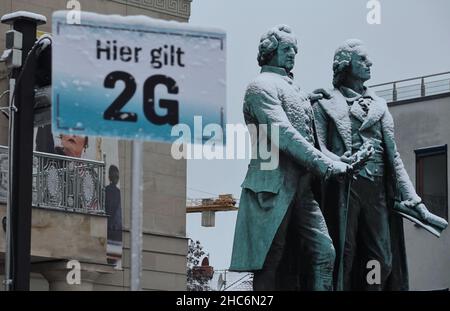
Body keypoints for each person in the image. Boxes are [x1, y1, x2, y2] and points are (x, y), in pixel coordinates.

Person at [313, 39, 447, 290]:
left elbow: (393, 157)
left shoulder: (380, 106)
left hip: (376, 193)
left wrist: (415, 201)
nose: (369, 63)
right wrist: (341, 162)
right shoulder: (324, 103)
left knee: (382, 259)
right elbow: (319, 150)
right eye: (362, 59)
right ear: (345, 65)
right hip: (344, 191)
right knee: (344, 254)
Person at [229, 25, 352, 291]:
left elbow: (309, 139)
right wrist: (326, 165)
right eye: (286, 49)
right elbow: (283, 134)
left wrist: (342, 161)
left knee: (325, 253)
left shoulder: (294, 89)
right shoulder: (260, 87)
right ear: (270, 52)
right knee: (271, 260)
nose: (292, 54)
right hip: (271, 187)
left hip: (302, 188)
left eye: (295, 49)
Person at [105, 164, 123, 266]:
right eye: (114, 176)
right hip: (110, 228)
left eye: (117, 177)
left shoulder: (117, 192)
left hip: (115, 229)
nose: (116, 179)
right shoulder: (107, 190)